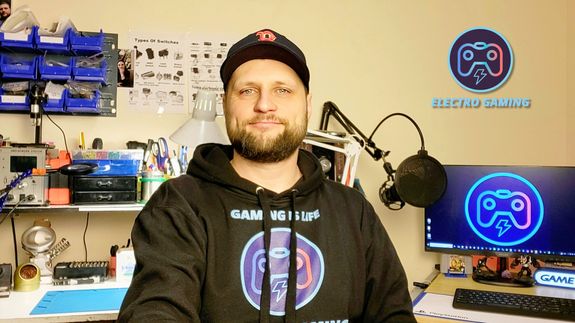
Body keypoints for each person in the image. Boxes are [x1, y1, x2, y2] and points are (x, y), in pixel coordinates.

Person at [118, 28, 416, 322]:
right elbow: (156, 308)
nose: (264, 104)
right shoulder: (179, 205)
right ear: (225, 104)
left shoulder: (354, 211)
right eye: (247, 91)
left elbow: (394, 314)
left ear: (307, 105)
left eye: (282, 90)